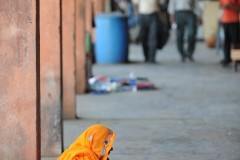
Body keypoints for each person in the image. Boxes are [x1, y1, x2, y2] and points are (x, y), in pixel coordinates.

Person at [219, 0, 240, 66]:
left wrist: (230, 7)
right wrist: (224, 7)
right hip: (224, 21)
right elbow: (220, 6)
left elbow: (238, 8)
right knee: (226, 41)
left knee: (235, 41)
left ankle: (237, 58)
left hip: (234, 20)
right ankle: (227, 58)